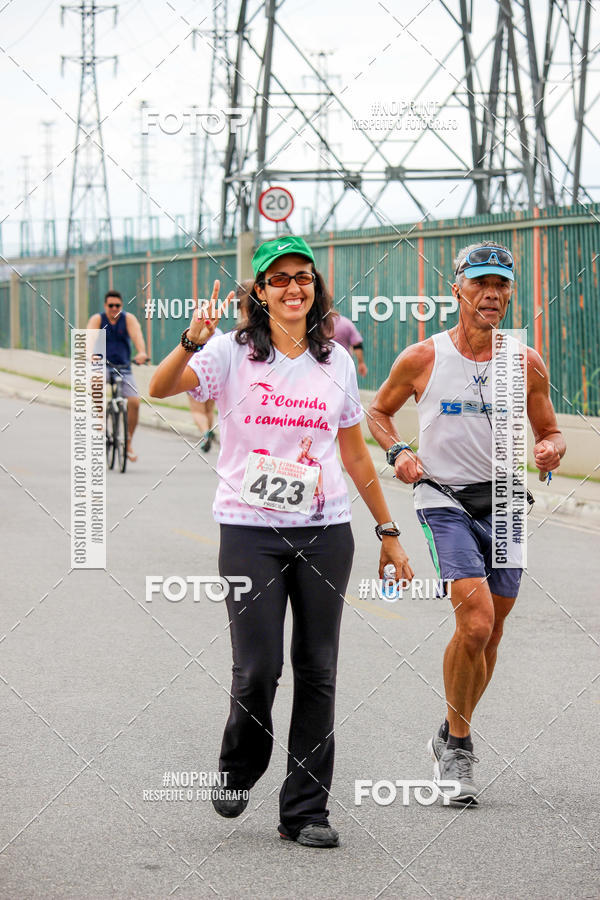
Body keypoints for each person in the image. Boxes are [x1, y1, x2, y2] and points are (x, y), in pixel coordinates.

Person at [149, 236, 413, 847]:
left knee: (317, 670)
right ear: (261, 292)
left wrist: (388, 529)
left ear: (315, 287)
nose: (294, 288)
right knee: (258, 668)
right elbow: (160, 387)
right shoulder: (230, 351)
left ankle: (305, 812)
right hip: (249, 531)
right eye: (280, 279)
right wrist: (191, 339)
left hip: (325, 531)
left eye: (304, 277)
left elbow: (354, 453)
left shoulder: (335, 359)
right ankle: (238, 767)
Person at [368, 241, 565, 804]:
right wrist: (397, 452)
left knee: (492, 631)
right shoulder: (422, 357)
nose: (491, 294)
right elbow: (377, 412)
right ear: (457, 289)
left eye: (501, 285)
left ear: (510, 294)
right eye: (480, 282)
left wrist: (550, 450)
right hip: (443, 498)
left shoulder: (524, 362)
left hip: (505, 501)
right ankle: (459, 747)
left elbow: (550, 431)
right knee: (475, 623)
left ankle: (450, 727)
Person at [188, 280, 254, 451]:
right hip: (217, 376)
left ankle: (205, 433)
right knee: (209, 410)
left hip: (197, 374)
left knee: (197, 410)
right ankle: (209, 431)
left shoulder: (197, 332)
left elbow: (159, 388)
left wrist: (190, 342)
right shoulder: (220, 335)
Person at [87, 290, 149, 461]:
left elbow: (137, 336)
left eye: (117, 305)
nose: (114, 308)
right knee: (96, 380)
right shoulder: (97, 320)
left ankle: (128, 443)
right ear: (105, 306)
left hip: (124, 367)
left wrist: (142, 353)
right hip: (102, 364)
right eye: (111, 305)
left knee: (134, 402)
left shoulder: (128, 319)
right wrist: (90, 354)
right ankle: (100, 418)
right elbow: (89, 339)